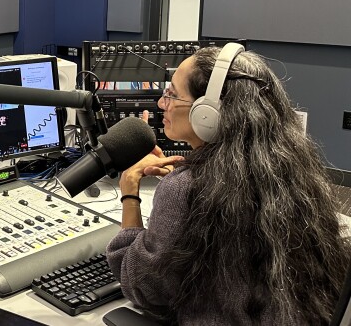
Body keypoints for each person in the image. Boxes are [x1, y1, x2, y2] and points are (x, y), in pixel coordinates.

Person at [106, 44, 349, 325]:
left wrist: (130, 192)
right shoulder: (293, 172)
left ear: (206, 113)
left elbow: (143, 288)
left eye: (172, 94)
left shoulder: (185, 188)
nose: (162, 104)